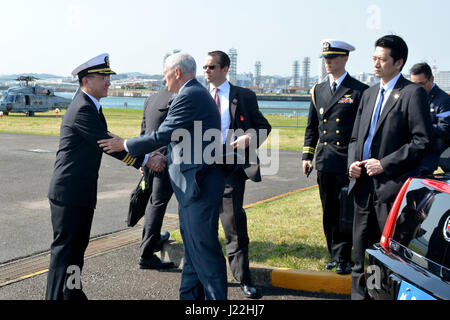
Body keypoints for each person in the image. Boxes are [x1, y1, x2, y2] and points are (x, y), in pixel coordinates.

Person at [98, 52, 228, 300]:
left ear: (177, 73)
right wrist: (158, 159)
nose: (164, 79)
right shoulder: (193, 94)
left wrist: (124, 144)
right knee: (192, 252)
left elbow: (163, 134)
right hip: (191, 185)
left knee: (204, 251)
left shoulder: (190, 95)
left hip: (198, 186)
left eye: (165, 74)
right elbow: (183, 140)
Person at [46, 53, 147, 300]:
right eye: (103, 77)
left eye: (108, 77)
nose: (108, 82)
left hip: (79, 192)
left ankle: (72, 293)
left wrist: (140, 159)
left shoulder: (90, 105)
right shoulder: (82, 107)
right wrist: (143, 161)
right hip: (69, 193)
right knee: (65, 252)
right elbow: (106, 143)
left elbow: (107, 137)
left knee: (76, 250)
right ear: (86, 80)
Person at [348, 35, 434, 300]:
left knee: (388, 259)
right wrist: (352, 161)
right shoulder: (369, 93)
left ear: (398, 63)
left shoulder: (412, 93)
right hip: (363, 187)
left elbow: (422, 141)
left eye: (382, 59)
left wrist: (384, 164)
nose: (376, 63)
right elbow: (355, 137)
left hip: (392, 190)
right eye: (374, 58)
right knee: (359, 257)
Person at [204, 50, 271, 298]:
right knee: (204, 225)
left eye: (212, 67)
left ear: (224, 69)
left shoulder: (243, 96)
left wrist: (249, 138)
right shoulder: (199, 96)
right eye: (205, 67)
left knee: (233, 224)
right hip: (203, 170)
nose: (207, 71)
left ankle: (243, 277)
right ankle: (208, 276)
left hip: (231, 168)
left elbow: (263, 126)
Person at [302, 40, 368, 275]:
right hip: (325, 160)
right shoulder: (317, 89)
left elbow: (362, 130)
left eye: (333, 58)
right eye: (326, 59)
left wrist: (358, 158)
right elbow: (312, 126)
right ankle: (334, 253)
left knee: (345, 211)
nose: (328, 62)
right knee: (328, 210)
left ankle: (343, 257)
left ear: (345, 59)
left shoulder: (359, 90)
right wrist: (307, 155)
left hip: (347, 161)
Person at [137, 88, 177, 270]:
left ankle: (151, 241)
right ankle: (146, 253)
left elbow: (144, 131)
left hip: (149, 157)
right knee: (157, 204)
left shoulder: (151, 98)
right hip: (165, 160)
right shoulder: (179, 97)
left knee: (153, 203)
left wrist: (142, 161)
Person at [410, 62, 450, 172]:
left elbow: (445, 129)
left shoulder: (444, 101)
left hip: (433, 156)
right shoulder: (411, 98)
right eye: (414, 84)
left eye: (421, 84)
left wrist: (421, 126)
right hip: (413, 153)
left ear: (431, 79)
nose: (417, 88)